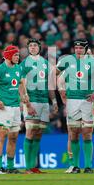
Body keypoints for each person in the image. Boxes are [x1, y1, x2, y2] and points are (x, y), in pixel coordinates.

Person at [0, 45, 35, 174]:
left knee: (13, 137)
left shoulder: (18, 69)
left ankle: (10, 167)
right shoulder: (0, 69)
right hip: (3, 108)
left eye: (18, 55)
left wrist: (25, 97)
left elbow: (21, 84)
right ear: (9, 56)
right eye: (15, 55)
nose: (18, 57)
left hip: (16, 108)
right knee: (1, 135)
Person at [56, 39, 94, 174]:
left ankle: (88, 166)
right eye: (76, 48)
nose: (78, 50)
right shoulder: (67, 61)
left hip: (87, 101)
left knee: (87, 133)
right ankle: (74, 165)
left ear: (86, 49)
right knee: (73, 133)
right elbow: (56, 76)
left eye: (81, 48)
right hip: (72, 100)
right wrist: (61, 92)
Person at [21, 38, 58, 174]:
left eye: (35, 45)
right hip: (32, 101)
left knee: (38, 134)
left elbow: (50, 85)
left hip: (44, 102)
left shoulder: (46, 64)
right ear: (28, 48)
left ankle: (34, 166)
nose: (32, 48)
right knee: (30, 132)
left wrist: (54, 101)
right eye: (30, 46)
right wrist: (26, 102)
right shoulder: (25, 64)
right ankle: (27, 167)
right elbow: (22, 84)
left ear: (39, 48)